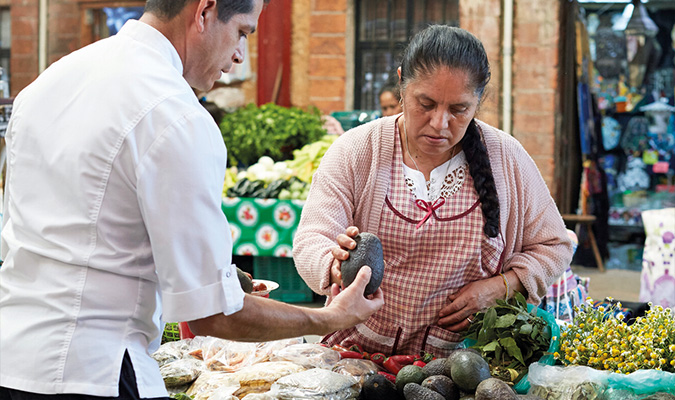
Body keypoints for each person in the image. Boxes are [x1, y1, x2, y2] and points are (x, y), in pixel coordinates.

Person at [0, 0, 383, 398]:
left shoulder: (46, 84)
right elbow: (214, 314)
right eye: (241, 32)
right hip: (93, 372)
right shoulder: (176, 115)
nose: (238, 55)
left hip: (11, 357)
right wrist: (328, 317)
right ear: (204, 11)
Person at [293, 25, 573, 357]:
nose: (440, 123)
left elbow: (554, 246)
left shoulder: (506, 158)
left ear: (478, 101)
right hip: (357, 358)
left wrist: (501, 288)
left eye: (459, 110)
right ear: (401, 83)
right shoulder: (358, 150)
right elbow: (311, 240)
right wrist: (337, 266)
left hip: (468, 366)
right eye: (425, 103)